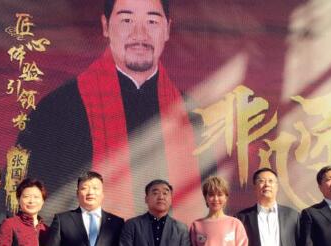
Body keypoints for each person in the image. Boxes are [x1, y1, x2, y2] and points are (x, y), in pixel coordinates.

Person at [17, 0, 202, 222]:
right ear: (106, 26)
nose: (140, 34)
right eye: (127, 20)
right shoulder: (58, 108)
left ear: (167, 29)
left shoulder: (191, 114)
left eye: (152, 21)